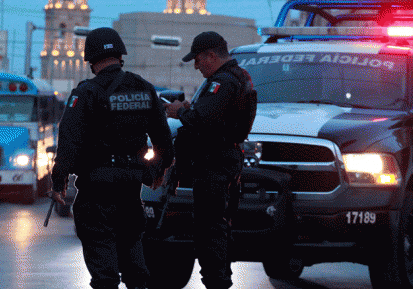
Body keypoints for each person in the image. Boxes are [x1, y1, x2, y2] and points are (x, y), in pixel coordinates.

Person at [50, 27, 174, 289]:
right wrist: (157, 172)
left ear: (92, 61)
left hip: (97, 189)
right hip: (130, 188)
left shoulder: (86, 93)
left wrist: (58, 181)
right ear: (120, 56)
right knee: (132, 247)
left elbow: (69, 140)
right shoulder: (145, 89)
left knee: (102, 260)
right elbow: (163, 140)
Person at [163, 31, 257, 289]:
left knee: (209, 230)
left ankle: (217, 281)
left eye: (198, 59)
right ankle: (219, 278)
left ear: (211, 56)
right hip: (223, 161)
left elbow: (201, 120)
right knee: (217, 227)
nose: (195, 65)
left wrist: (179, 111)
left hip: (215, 164)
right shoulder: (238, 77)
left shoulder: (222, 82)